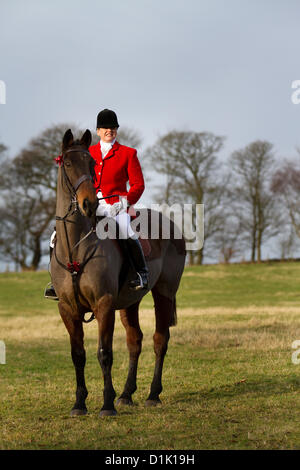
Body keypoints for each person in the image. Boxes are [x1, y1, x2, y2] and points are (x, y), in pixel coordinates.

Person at [44, 109, 149, 300]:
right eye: (105, 128)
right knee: (55, 236)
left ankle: (141, 274)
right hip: (88, 203)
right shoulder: (86, 152)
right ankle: (56, 282)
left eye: (113, 128)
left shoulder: (128, 153)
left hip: (116, 205)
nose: (110, 131)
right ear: (98, 131)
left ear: (117, 130)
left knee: (126, 230)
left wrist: (124, 203)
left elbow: (138, 185)